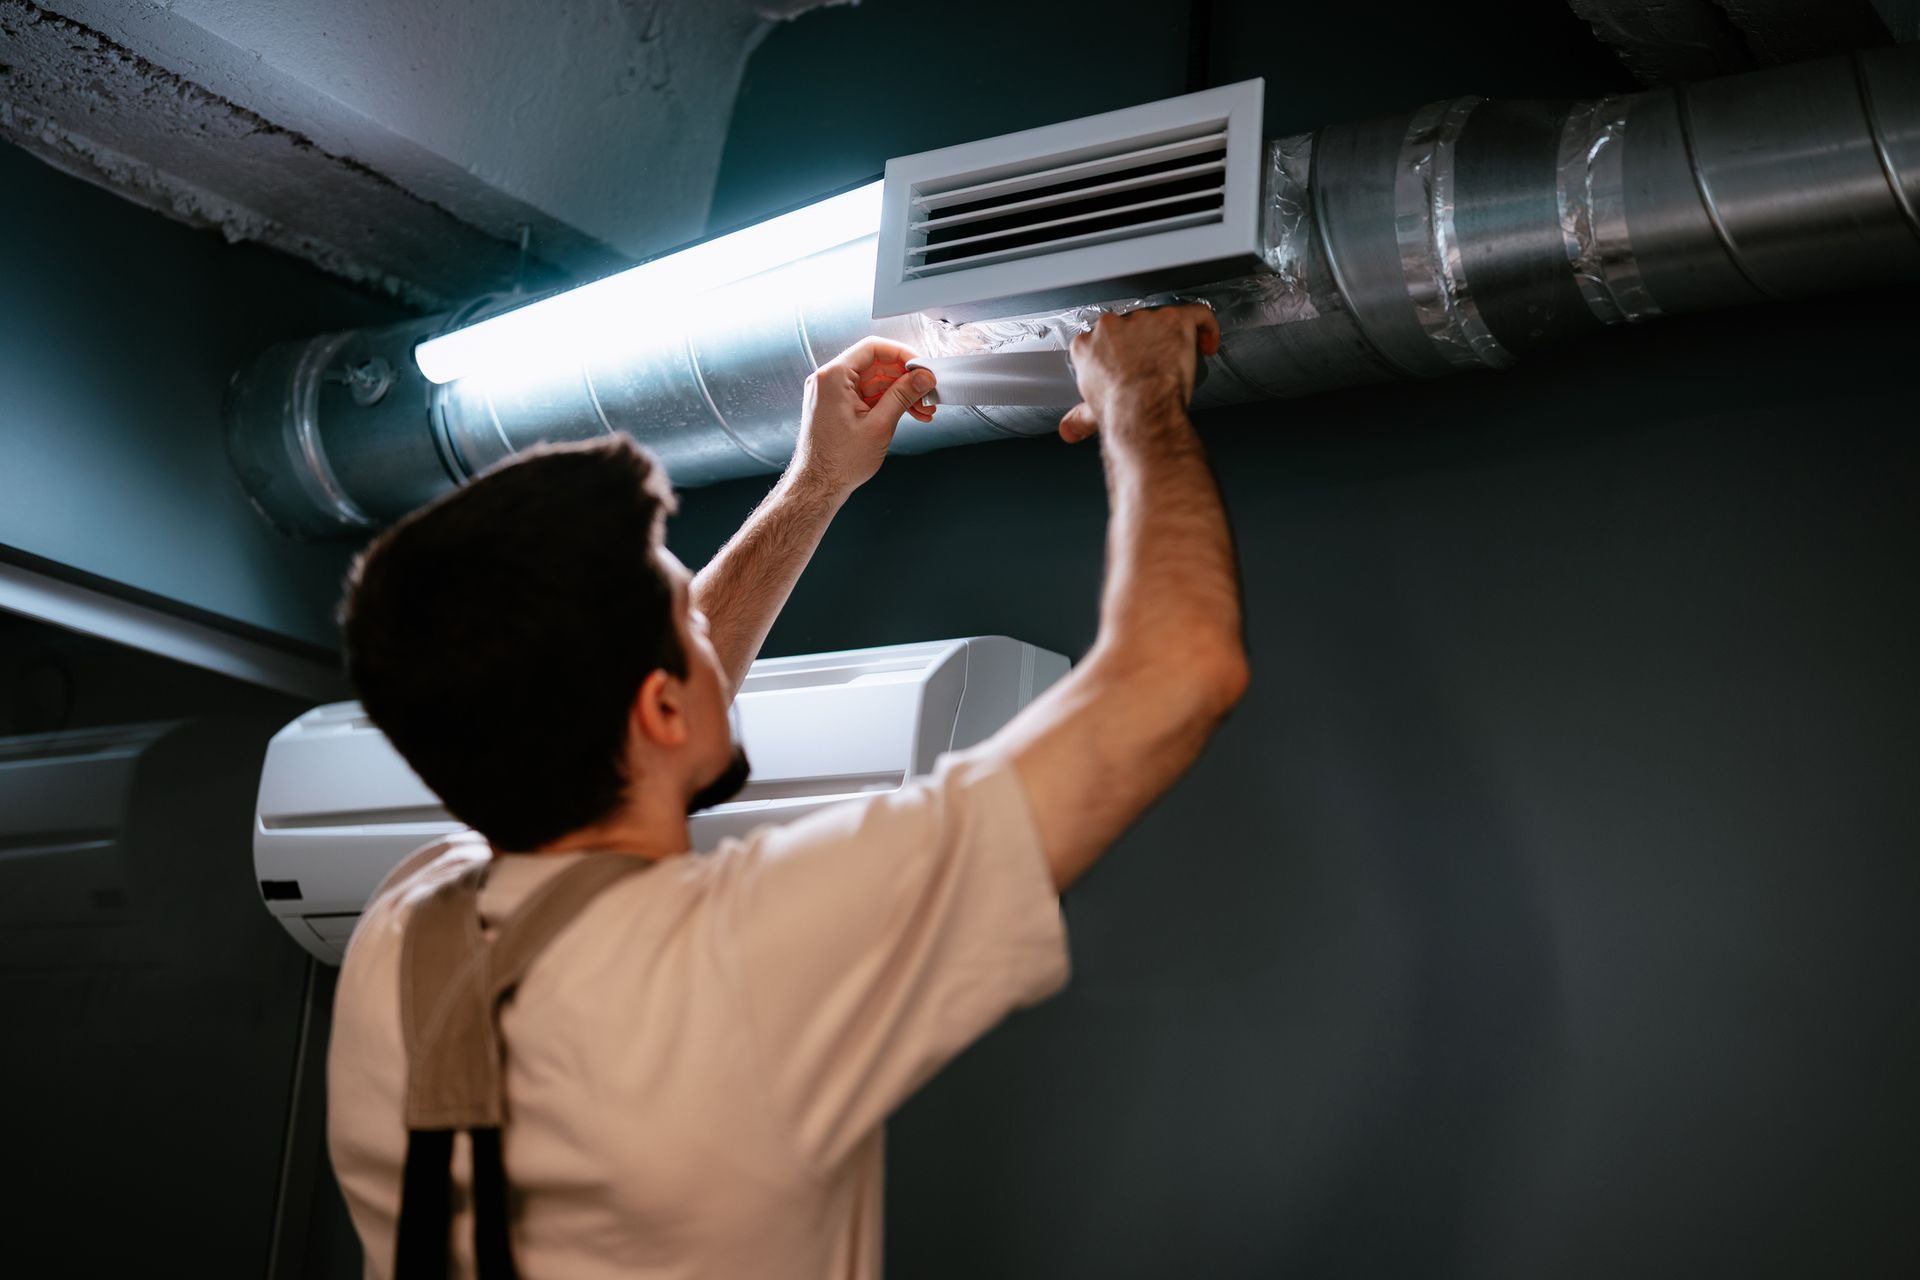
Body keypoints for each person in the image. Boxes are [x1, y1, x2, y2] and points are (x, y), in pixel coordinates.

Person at [327, 305, 1248, 1278]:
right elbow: (1180, 670)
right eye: (686, 610)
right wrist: (1138, 393)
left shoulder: (403, 924)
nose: (700, 622)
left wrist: (816, 483)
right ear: (660, 707)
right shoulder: (742, 953)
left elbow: (627, 714)